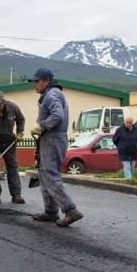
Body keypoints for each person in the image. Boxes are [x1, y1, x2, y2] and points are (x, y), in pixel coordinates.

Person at [28, 68, 83, 227]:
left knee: (50, 174)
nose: (34, 85)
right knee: (45, 174)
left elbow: (58, 115)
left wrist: (42, 126)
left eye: (36, 81)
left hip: (53, 139)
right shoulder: (51, 94)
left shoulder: (51, 95)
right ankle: (51, 212)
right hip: (51, 138)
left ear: (46, 81)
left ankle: (70, 210)